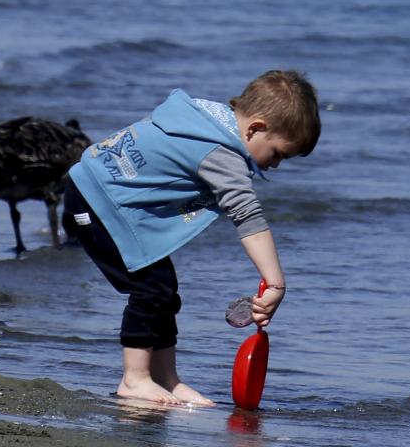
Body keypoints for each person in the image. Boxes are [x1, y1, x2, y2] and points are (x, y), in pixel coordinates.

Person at [62, 70, 320, 407]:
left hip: (98, 194)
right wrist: (276, 282)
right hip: (98, 204)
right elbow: (247, 216)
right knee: (151, 288)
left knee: (163, 288)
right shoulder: (221, 153)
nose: (275, 166)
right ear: (255, 128)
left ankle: (166, 379)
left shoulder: (203, 119)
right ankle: (134, 379)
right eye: (277, 154)